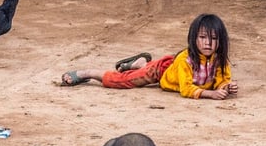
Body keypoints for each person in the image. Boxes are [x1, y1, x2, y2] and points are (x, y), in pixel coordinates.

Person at [60, 13, 238, 100]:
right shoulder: (186, 60)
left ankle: (140, 63)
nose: (208, 43)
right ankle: (88, 73)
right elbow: (186, 89)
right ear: (193, 38)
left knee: (138, 73)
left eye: (214, 39)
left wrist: (227, 87)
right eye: (202, 37)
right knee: (122, 81)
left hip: (170, 70)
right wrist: (211, 94)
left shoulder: (220, 60)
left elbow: (222, 80)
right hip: (161, 71)